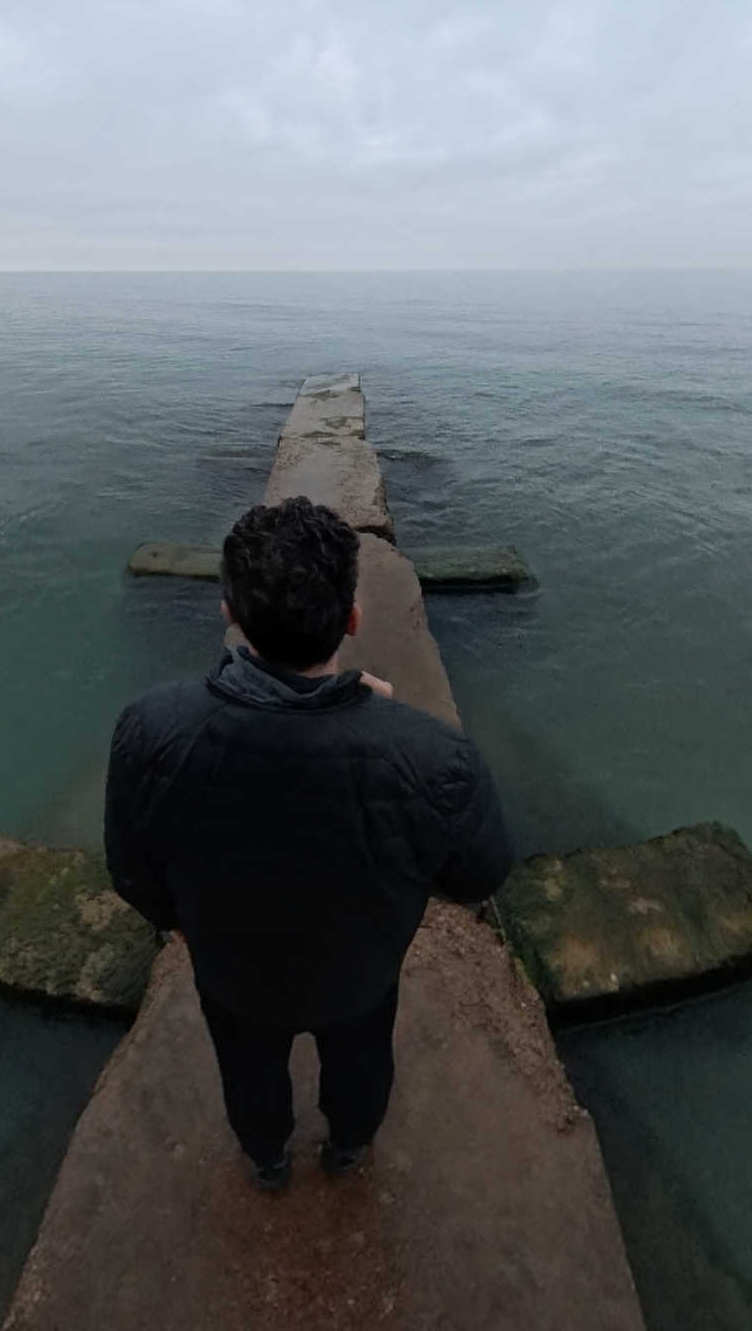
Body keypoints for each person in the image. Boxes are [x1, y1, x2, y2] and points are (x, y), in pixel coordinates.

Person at [102, 496, 516, 1190]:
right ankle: (348, 1148)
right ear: (352, 621)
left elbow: (131, 873)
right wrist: (386, 728)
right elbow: (480, 873)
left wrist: (181, 923)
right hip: (359, 973)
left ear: (228, 614)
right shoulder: (435, 758)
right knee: (360, 1061)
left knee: (248, 1072)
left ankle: (267, 1161)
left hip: (233, 974)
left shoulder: (150, 730)